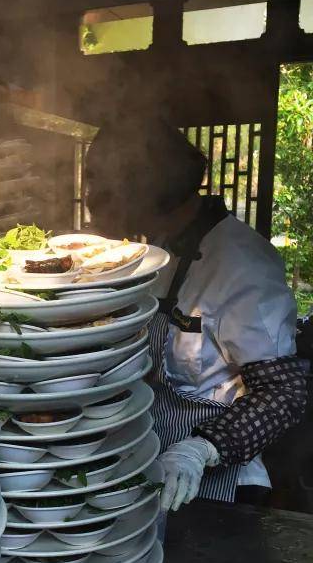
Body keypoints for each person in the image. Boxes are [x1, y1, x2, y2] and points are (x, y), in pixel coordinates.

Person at [85, 113, 308, 510]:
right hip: (146, 454)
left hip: (215, 480)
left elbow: (284, 393)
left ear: (150, 193)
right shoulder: (159, 244)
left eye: (111, 197)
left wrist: (202, 449)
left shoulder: (242, 266)